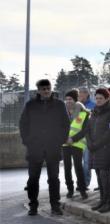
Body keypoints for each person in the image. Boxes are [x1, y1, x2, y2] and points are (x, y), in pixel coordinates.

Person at [20, 79, 70, 216]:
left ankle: (55, 206)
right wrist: (27, 141)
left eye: (48, 88)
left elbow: (66, 124)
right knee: (33, 179)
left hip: (53, 147)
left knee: (53, 178)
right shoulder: (30, 105)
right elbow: (23, 124)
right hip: (34, 147)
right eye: (43, 89)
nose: (46, 91)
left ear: (51, 89)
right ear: (38, 90)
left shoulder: (59, 105)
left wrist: (60, 140)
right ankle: (33, 206)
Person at [86, 88, 110, 213]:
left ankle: (108, 203)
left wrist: (97, 144)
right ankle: (102, 201)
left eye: (101, 98)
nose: (98, 100)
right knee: (99, 177)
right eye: (97, 98)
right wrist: (89, 142)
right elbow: (88, 129)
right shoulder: (93, 112)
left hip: (105, 150)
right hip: (94, 150)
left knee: (105, 177)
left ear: (107, 99)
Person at [63, 89, 90, 200]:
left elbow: (84, 130)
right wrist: (64, 139)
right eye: (67, 99)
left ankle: (83, 190)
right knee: (67, 168)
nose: (68, 101)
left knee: (78, 167)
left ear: (75, 100)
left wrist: (72, 139)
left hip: (77, 144)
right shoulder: (62, 112)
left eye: (71, 99)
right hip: (64, 144)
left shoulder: (84, 113)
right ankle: (70, 190)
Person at [78, 87, 94, 186]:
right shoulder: (77, 105)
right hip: (77, 138)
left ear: (86, 94)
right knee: (78, 163)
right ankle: (80, 182)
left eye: (81, 93)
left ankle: (85, 183)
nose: (79, 95)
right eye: (79, 93)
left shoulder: (93, 105)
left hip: (87, 137)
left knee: (87, 162)